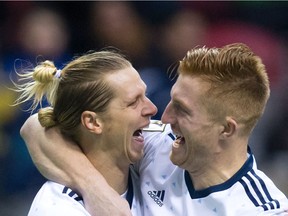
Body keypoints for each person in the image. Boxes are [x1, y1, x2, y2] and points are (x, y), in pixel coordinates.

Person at [21, 43, 288, 215]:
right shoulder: (161, 146)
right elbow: (37, 128)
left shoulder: (262, 211)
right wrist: (96, 191)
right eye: (170, 100)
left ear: (226, 130)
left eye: (182, 109)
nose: (163, 115)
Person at [13, 50, 158, 215]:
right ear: (93, 122)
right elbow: (33, 127)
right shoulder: (58, 209)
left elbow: (34, 128)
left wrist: (94, 187)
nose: (152, 109)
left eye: (145, 95)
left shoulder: (157, 148)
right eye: (133, 102)